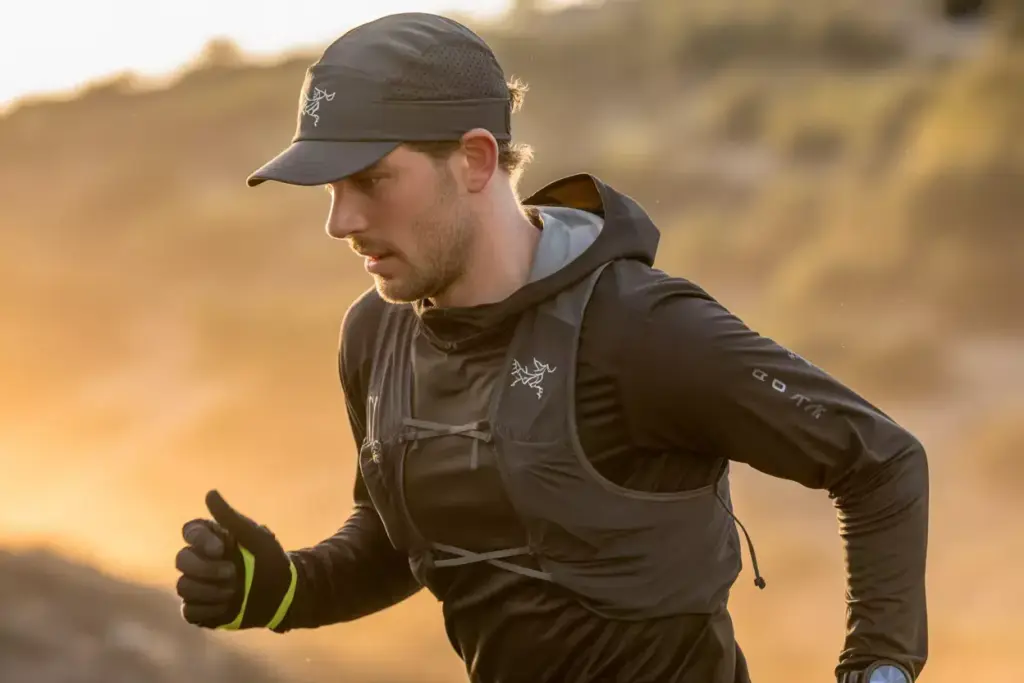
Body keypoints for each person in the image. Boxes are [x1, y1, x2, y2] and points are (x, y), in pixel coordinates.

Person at [174, 12, 929, 683]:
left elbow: (880, 459)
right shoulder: (376, 335)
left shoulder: (639, 329)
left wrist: (879, 667)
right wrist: (280, 592)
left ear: (474, 160)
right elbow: (395, 535)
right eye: (330, 189)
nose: (342, 221)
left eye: (373, 179)